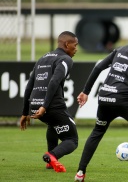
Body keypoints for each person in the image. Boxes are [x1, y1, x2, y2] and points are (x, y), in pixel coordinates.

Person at [74, 22, 128, 182]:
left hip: (105, 97)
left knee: (97, 132)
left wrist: (85, 91)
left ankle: (80, 172)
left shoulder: (122, 49)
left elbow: (99, 67)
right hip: (123, 100)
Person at [19, 31, 79, 173]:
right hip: (51, 106)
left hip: (34, 105)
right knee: (71, 140)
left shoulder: (43, 58)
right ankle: (51, 155)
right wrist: (45, 106)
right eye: (75, 45)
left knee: (53, 124)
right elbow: (54, 81)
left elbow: (29, 85)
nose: (76, 49)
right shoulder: (65, 59)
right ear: (67, 44)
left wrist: (25, 112)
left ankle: (50, 162)